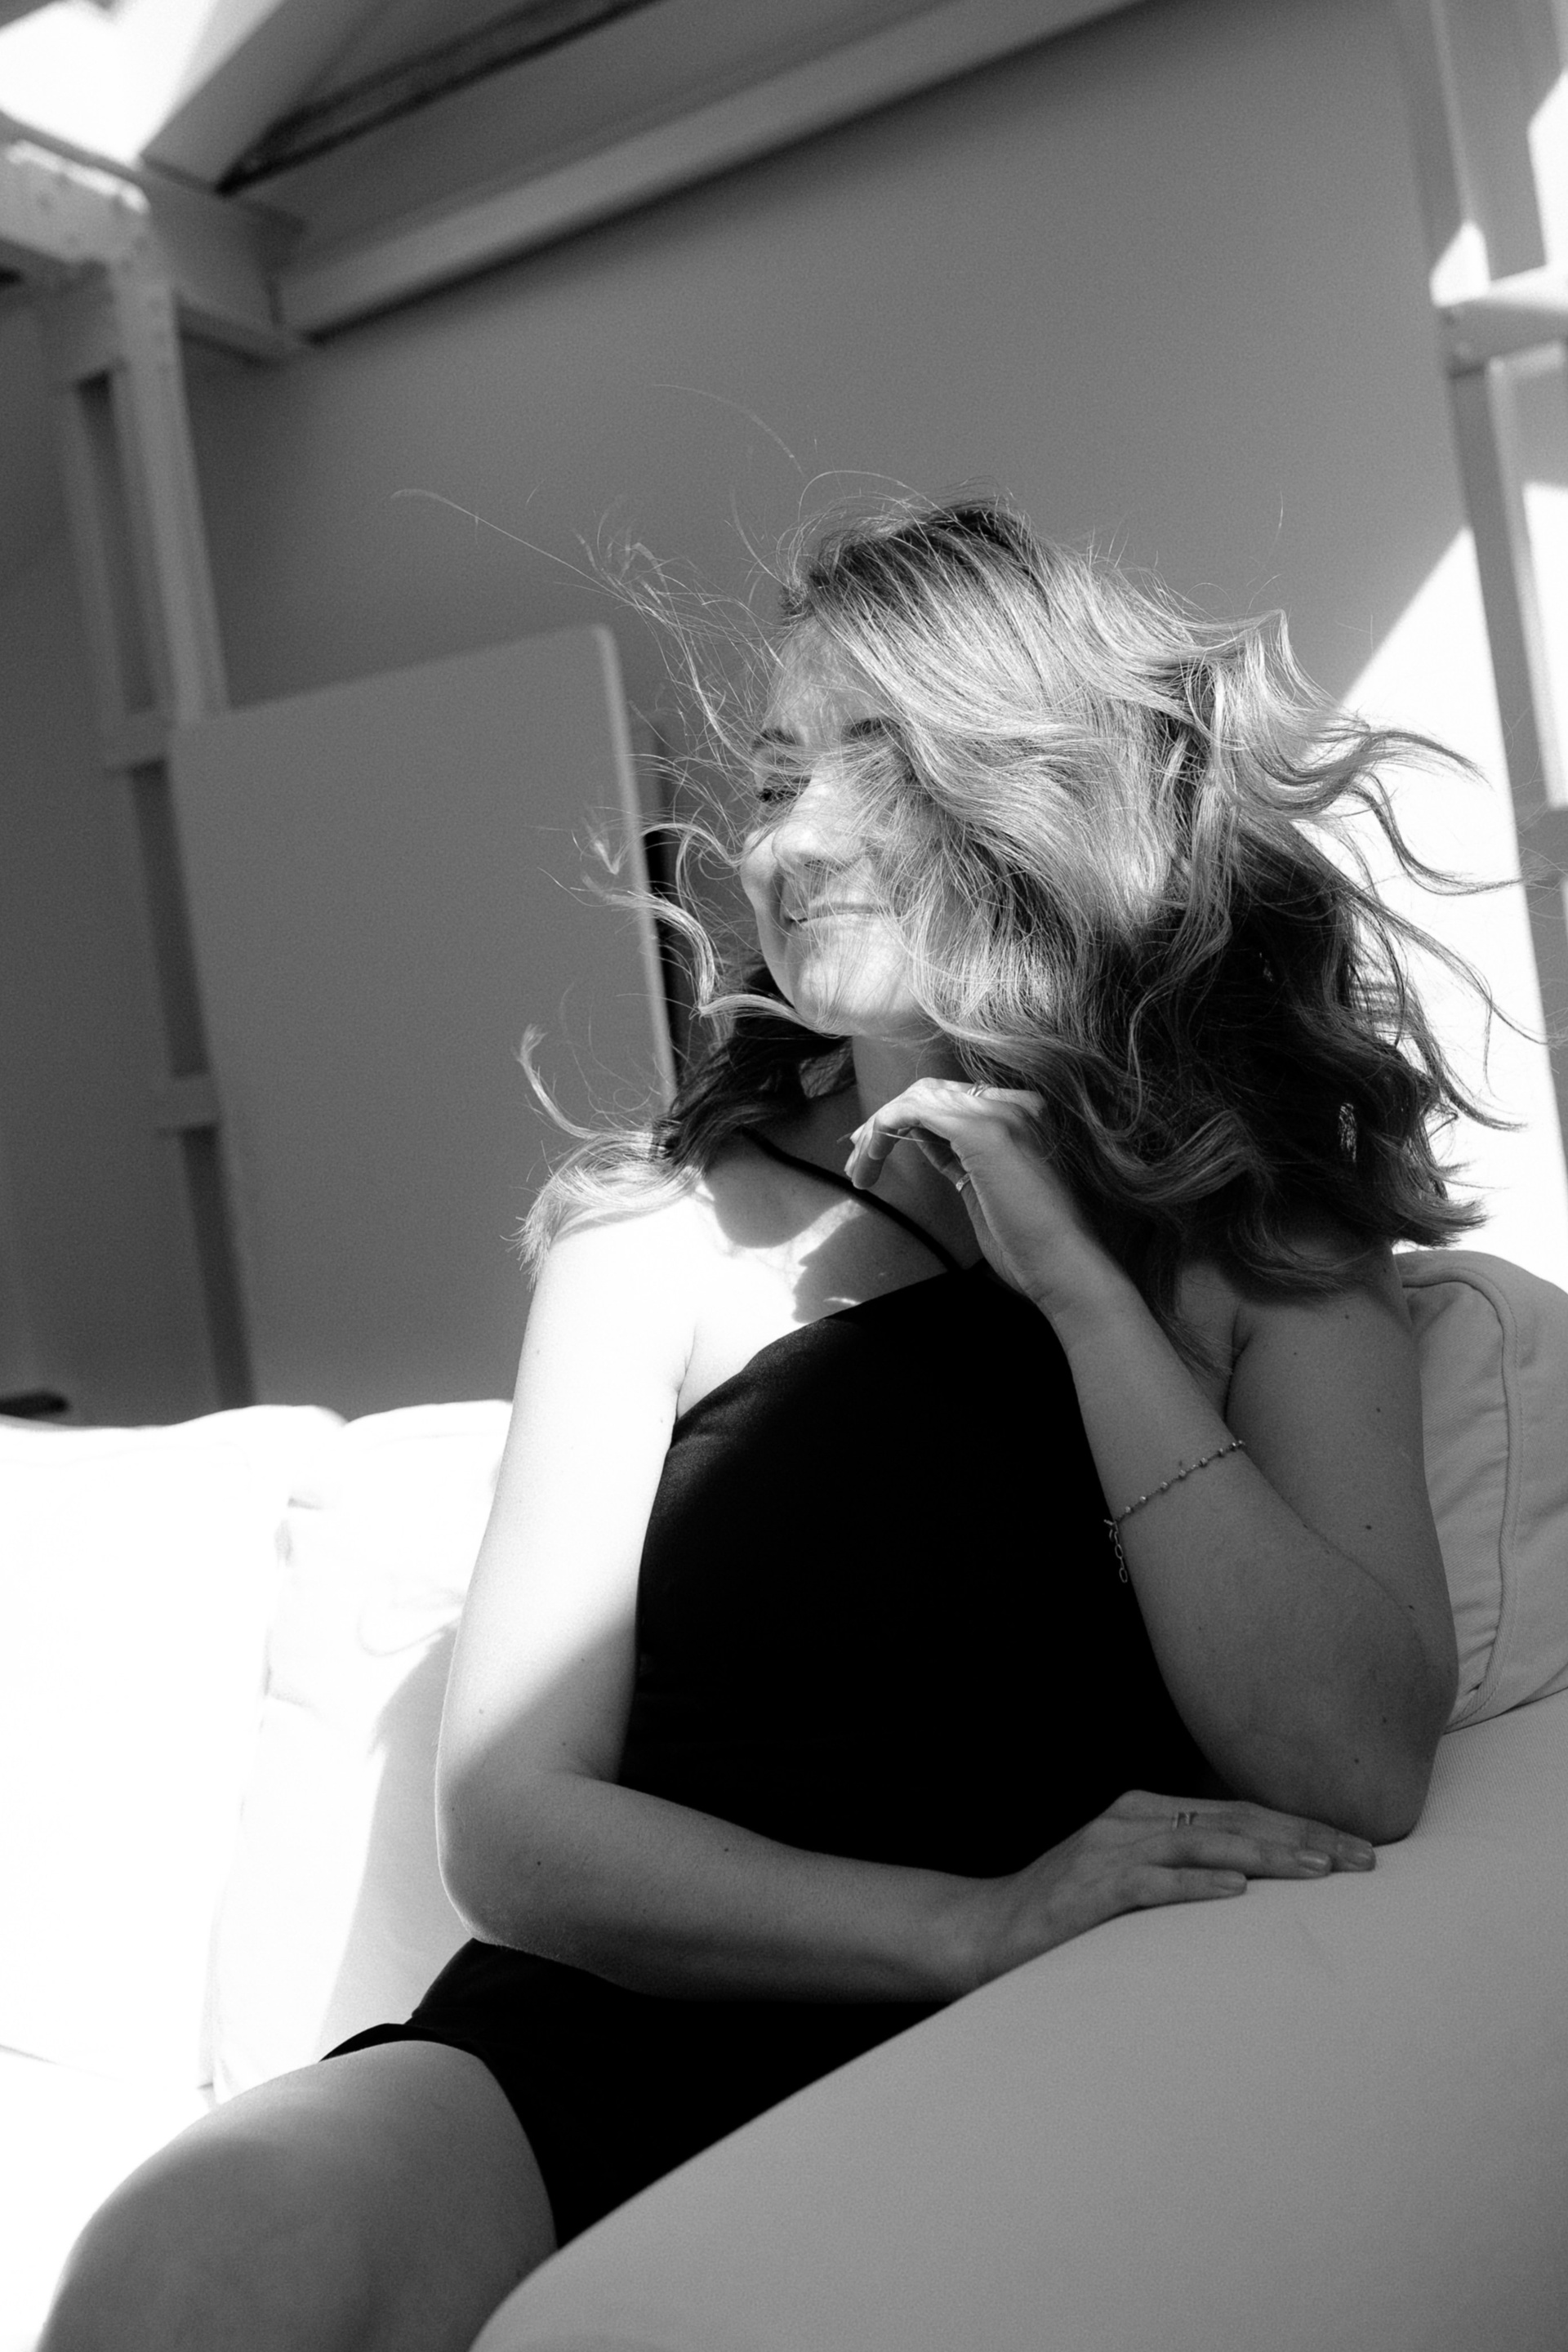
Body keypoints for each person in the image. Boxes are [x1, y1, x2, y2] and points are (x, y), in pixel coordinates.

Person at [42, 500, 1473, 2352]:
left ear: (1039, 788)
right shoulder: (653, 1239)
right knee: (192, 2256)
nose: (786, 842)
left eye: (869, 768)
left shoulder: (1254, 1223)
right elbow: (517, 1827)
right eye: (777, 780)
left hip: (1078, 2057)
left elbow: (1352, 1757)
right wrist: (971, 1922)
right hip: (631, 2033)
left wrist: (1080, 1293)